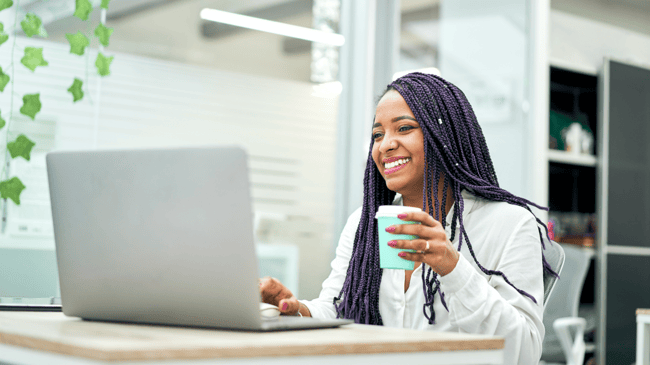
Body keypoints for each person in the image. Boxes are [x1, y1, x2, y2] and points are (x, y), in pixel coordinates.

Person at [260, 72, 557, 365]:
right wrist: (296, 312)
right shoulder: (363, 226)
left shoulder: (510, 224)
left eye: (403, 128)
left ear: (445, 136)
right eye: (377, 134)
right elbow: (338, 311)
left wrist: (453, 269)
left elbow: (523, 354)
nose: (385, 144)